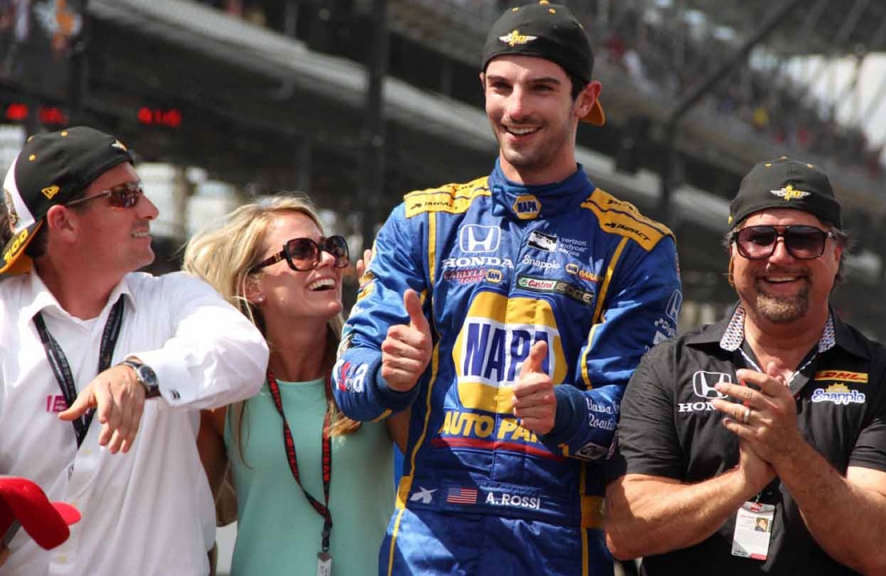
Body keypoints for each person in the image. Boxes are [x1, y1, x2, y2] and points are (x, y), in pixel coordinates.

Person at [331, 3, 682, 575]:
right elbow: (347, 384)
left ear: (585, 99)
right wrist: (386, 375)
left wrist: (563, 409)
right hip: (427, 539)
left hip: (559, 546)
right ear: (483, 88)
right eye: (502, 86)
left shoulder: (636, 246)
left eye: (542, 88)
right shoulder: (422, 222)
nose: (516, 109)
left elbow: (632, 424)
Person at [604, 157, 886, 575]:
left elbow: (878, 547)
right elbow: (626, 529)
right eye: (758, 238)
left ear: (836, 253)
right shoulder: (668, 366)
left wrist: (789, 451)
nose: (779, 257)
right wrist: (743, 481)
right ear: (732, 257)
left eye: (803, 239)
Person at [0, 126, 268, 576]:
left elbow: (244, 354)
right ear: (63, 222)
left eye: (140, 191)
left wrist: (140, 374)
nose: (150, 209)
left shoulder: (173, 297)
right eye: (124, 196)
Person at [183, 196, 402, 576]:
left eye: (332, 248)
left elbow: (442, 475)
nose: (329, 260)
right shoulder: (225, 395)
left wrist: (389, 310)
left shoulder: (373, 378)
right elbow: (192, 529)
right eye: (302, 251)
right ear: (253, 286)